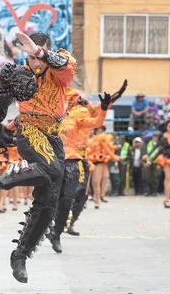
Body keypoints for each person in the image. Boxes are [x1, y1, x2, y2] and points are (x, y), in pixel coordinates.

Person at [0, 31, 75, 283]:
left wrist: (39, 52)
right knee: (52, 171)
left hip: (54, 136)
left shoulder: (59, 65)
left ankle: (20, 255)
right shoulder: (17, 75)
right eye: (30, 55)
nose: (36, 61)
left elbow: (67, 70)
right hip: (29, 130)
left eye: (39, 54)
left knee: (49, 202)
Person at [47, 86, 121, 252]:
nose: (75, 101)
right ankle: (47, 226)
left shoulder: (76, 116)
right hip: (49, 158)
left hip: (73, 159)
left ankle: (60, 229)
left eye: (77, 99)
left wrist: (106, 105)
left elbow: (96, 119)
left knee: (73, 196)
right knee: (49, 196)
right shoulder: (49, 113)